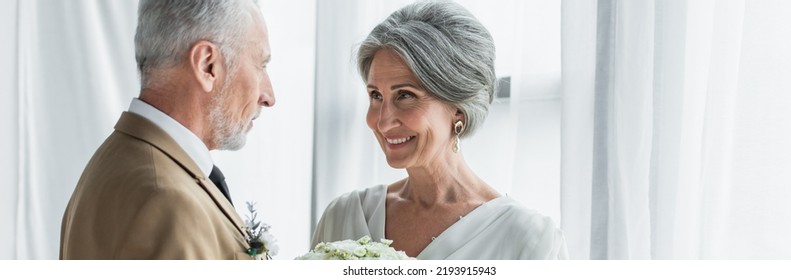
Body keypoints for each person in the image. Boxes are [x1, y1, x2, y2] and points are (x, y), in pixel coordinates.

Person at [310, 0, 568, 259]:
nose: (382, 121)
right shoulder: (341, 217)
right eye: (376, 95)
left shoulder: (528, 242)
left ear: (458, 106)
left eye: (405, 96)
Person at [60, 0, 275, 259]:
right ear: (208, 65)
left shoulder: (112, 162)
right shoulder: (169, 201)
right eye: (260, 65)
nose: (269, 96)